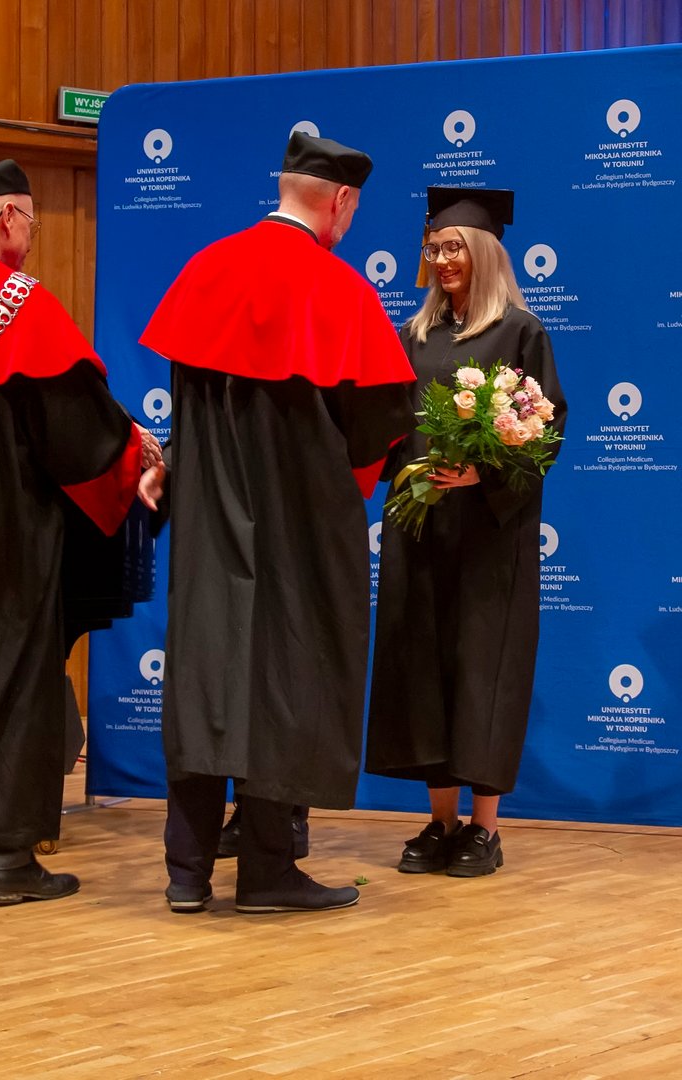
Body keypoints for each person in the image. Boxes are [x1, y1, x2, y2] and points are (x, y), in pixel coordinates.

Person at [138, 131, 415, 915]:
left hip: (212, 517)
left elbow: (186, 403)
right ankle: (265, 873)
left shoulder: (206, 269)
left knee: (206, 674)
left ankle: (186, 873)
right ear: (341, 202)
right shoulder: (341, 290)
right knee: (288, 675)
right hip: (300, 525)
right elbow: (377, 426)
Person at [366, 186, 567, 878]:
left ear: (485, 252)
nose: (444, 259)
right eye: (435, 248)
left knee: (485, 669)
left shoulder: (520, 332)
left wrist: (485, 474)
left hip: (489, 535)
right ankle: (440, 822)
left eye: (455, 247)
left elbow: (545, 429)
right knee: (423, 668)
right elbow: (389, 425)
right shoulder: (414, 336)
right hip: (421, 526)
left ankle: (484, 829)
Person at [0, 159, 143, 905]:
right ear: (8, 216)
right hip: (0, 528)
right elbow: (78, 433)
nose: (32, 240)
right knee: (10, 673)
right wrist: (136, 453)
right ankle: (8, 857)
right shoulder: (16, 301)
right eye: (32, 224)